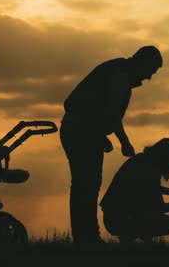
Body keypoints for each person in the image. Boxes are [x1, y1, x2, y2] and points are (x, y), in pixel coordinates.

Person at [60, 46, 163, 245]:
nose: (149, 77)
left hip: (81, 129)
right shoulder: (120, 75)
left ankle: (86, 236)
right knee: (86, 184)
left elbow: (96, 109)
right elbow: (110, 110)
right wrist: (124, 142)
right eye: (151, 71)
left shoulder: (117, 71)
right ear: (143, 63)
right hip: (79, 130)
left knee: (86, 184)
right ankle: (87, 237)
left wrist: (100, 135)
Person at [99, 138, 169, 248]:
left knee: (148, 216)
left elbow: (151, 189)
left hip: (113, 217)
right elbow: (158, 207)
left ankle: (130, 238)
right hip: (122, 220)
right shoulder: (150, 171)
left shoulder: (142, 161)